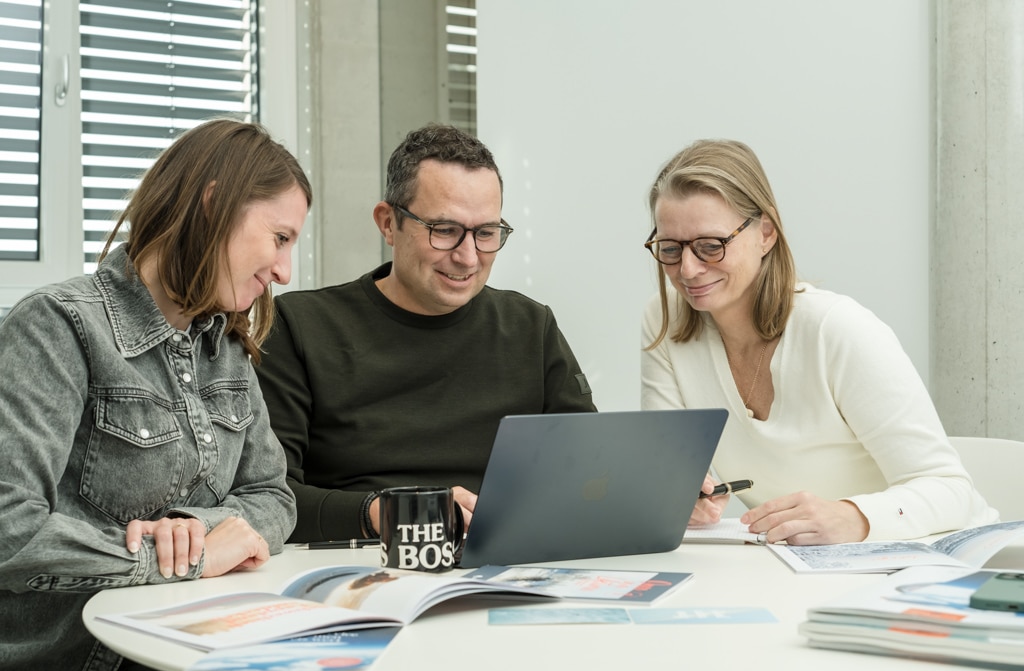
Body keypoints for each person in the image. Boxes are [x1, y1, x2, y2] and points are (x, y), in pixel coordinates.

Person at [0, 118, 310, 671]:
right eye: (280, 238)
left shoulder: (227, 348)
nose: (285, 271)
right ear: (214, 206)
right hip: (80, 665)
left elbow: (271, 496)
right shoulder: (57, 327)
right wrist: (178, 559)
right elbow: (8, 529)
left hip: (194, 641)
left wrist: (195, 525)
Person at [640, 138, 996, 545]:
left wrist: (855, 516)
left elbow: (951, 490)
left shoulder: (837, 329)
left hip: (938, 562)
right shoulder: (664, 319)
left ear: (766, 233)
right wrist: (678, 493)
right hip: (803, 570)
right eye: (669, 248)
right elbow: (665, 470)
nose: (688, 269)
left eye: (710, 246)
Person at [256, 123, 596, 542]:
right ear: (388, 224)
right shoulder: (299, 325)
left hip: (500, 561)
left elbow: (589, 469)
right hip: (362, 565)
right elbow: (268, 498)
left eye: (487, 233)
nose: (468, 256)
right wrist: (391, 513)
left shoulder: (530, 326)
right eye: (445, 230)